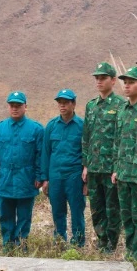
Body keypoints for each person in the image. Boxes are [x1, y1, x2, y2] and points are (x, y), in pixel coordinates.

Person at [0, 91, 44, 252]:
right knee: (5, 215)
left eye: (18, 105)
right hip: (4, 179)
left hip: (26, 179)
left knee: (24, 216)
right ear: (8, 107)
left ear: (25, 107)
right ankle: (7, 244)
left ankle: (21, 245)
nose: (15, 108)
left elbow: (41, 155)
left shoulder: (36, 129)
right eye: (12, 105)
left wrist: (39, 176)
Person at [82, 61, 125, 253]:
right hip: (93, 167)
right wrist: (85, 165)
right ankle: (101, 239)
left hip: (110, 168)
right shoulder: (91, 106)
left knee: (112, 208)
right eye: (97, 78)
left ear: (113, 80)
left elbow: (121, 138)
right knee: (96, 207)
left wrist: (117, 166)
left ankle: (112, 242)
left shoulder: (120, 105)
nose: (99, 81)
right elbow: (86, 137)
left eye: (103, 78)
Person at [111, 65, 137, 261]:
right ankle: (131, 251)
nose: (126, 86)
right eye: (125, 82)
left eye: (131, 82)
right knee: (126, 216)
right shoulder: (122, 110)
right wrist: (115, 168)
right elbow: (117, 141)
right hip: (124, 173)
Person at [41, 89, 86, 247]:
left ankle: (78, 243)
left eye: (66, 102)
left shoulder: (82, 126)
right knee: (58, 211)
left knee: (77, 212)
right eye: (60, 102)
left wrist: (86, 181)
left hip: (75, 177)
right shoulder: (51, 126)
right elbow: (46, 154)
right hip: (56, 177)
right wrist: (45, 179)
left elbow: (86, 153)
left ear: (73, 104)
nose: (62, 105)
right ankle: (59, 241)